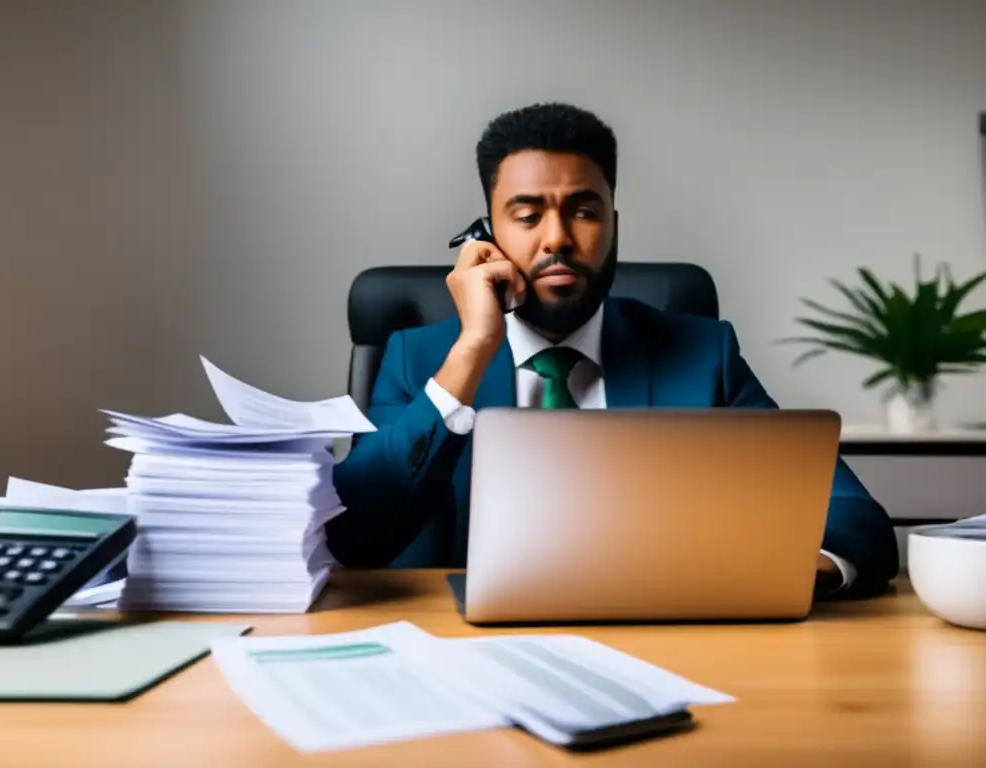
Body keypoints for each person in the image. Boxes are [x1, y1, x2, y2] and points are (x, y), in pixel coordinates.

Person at [328, 102, 899, 597]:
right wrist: (473, 350)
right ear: (488, 237)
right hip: (466, 650)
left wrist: (787, 574)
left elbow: (852, 518)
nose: (556, 238)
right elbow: (354, 533)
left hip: (663, 644)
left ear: (613, 225)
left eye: (583, 211)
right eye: (527, 217)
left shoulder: (704, 356)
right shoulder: (420, 360)